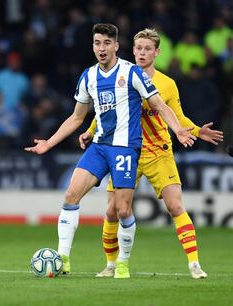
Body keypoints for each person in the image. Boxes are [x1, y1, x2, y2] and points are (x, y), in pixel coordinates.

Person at [25, 23, 196, 279]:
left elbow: (160, 105)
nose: (101, 48)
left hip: (126, 148)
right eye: (97, 43)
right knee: (71, 194)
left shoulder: (132, 73)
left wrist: (179, 130)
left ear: (116, 46)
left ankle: (123, 264)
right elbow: (76, 117)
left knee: (123, 209)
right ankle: (62, 259)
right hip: (100, 146)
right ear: (93, 46)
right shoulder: (88, 76)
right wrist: (49, 143)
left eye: (107, 43)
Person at [79, 28, 223, 279]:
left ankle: (194, 264)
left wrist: (198, 131)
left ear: (157, 52)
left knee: (176, 205)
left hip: (159, 153)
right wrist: (90, 131)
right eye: (139, 48)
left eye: (148, 49)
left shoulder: (167, 84)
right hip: (124, 152)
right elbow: (106, 111)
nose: (142, 53)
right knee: (112, 210)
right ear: (132, 50)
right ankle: (111, 265)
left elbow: (177, 117)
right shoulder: (120, 74)